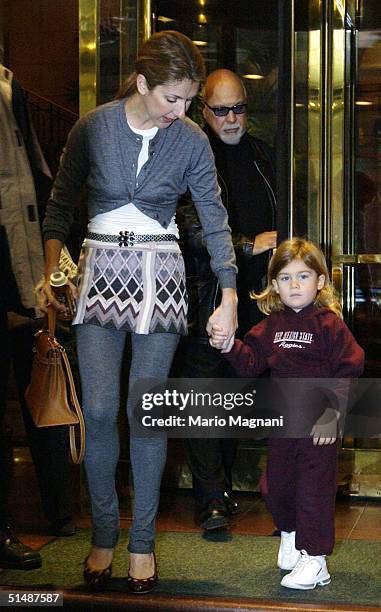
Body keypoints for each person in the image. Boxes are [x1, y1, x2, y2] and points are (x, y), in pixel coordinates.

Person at [41, 31, 238, 593]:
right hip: (99, 275)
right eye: (171, 99)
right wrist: (51, 271)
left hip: (161, 278)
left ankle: (143, 543)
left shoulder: (193, 141)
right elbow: (58, 207)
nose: (181, 112)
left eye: (187, 100)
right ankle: (104, 534)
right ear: (143, 83)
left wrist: (227, 295)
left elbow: (214, 218)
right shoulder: (94, 127)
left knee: (145, 412)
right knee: (100, 411)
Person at [210, 238, 364, 590]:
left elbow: (350, 369)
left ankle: (316, 560)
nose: (294, 285)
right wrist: (228, 346)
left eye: (303, 276)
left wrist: (333, 413)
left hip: (319, 428)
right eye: (285, 278)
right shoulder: (272, 326)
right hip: (282, 426)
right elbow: (250, 365)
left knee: (314, 492)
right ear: (274, 284)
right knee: (275, 487)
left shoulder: (330, 326)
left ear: (320, 281)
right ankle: (292, 536)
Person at [175, 69, 276, 530]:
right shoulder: (191, 154)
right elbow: (187, 226)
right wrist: (250, 244)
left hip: (258, 298)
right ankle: (210, 496)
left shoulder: (262, 155)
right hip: (205, 294)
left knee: (239, 394)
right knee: (202, 394)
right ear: (203, 110)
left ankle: (223, 489)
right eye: (221, 109)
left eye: (239, 108)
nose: (232, 118)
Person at [0, 53, 75, 571]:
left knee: (40, 389)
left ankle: (48, 512)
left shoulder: (9, 83)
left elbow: (29, 189)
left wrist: (45, 277)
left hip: (20, 276)